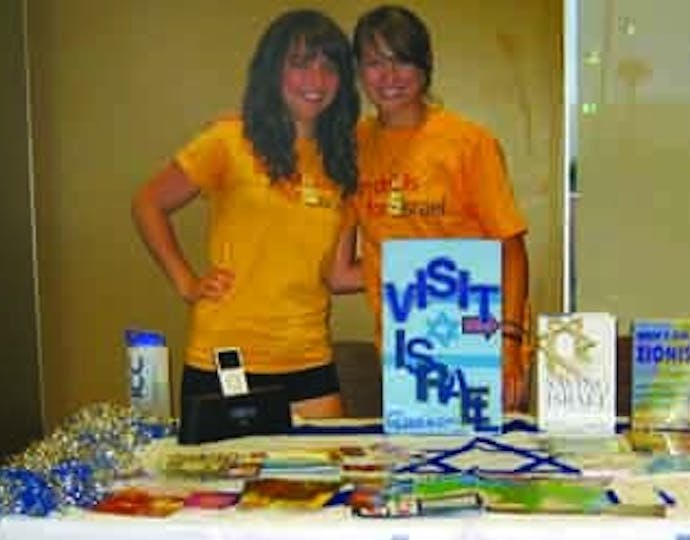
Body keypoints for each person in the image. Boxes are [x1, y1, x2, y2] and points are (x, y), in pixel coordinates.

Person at [131, 9, 361, 419]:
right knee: (225, 485)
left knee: (327, 479)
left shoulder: (343, 161)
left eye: (329, 67)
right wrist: (186, 282)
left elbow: (338, 275)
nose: (316, 81)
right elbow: (148, 202)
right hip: (226, 355)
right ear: (274, 71)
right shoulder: (229, 140)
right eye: (301, 65)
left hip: (308, 356)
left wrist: (414, 266)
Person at [348, 5, 532, 411]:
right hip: (403, 350)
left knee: (485, 470)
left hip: (477, 341)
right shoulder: (354, 145)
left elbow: (511, 248)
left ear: (424, 66)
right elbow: (352, 260)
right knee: (412, 470)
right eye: (375, 63)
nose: (389, 77)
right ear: (359, 71)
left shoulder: (468, 142)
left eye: (401, 61)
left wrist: (509, 343)